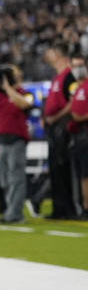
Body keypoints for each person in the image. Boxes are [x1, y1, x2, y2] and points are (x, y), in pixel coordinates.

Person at [0, 65, 34, 224]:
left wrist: (7, 87)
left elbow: (24, 104)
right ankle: (10, 209)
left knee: (16, 177)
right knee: (2, 176)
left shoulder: (23, 93)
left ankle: (14, 214)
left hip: (16, 141)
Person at [41, 45, 79, 219]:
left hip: (63, 126)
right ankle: (59, 209)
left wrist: (55, 118)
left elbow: (73, 102)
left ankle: (69, 208)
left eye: (51, 53)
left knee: (64, 169)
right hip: (53, 128)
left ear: (60, 56)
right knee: (55, 169)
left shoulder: (69, 76)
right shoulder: (57, 77)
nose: (48, 56)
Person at [64, 53, 88, 219]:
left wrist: (80, 116)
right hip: (79, 135)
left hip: (84, 133)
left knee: (85, 174)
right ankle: (84, 206)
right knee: (82, 174)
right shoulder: (78, 88)